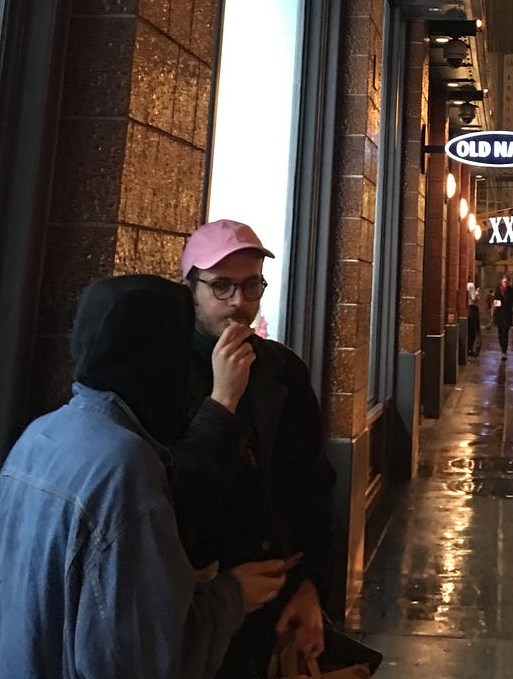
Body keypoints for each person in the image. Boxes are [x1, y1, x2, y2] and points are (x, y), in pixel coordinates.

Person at [0, 274, 291, 679]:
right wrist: (233, 595)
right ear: (159, 357)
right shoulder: (124, 464)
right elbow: (141, 656)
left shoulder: (42, 433)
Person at [174, 219, 336, 679]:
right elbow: (174, 498)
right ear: (191, 289)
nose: (238, 303)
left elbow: (313, 486)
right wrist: (221, 401)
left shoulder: (283, 369)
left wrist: (311, 586)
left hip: (278, 600)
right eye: (221, 287)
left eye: (251, 286)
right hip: (199, 609)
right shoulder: (165, 378)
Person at [492, 276, 513, 351]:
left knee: (505, 332)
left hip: (507, 313)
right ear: (501, 282)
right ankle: (502, 345)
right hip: (499, 313)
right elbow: (495, 299)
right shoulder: (498, 289)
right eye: (504, 282)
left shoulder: (511, 290)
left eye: (506, 282)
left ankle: (504, 349)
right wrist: (495, 302)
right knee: (500, 332)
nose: (505, 284)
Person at [467, 277, 481, 357]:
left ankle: (469, 349)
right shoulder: (471, 285)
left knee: (470, 330)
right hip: (473, 308)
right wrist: (477, 293)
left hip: (467, 309)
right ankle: (475, 348)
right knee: (475, 330)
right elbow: (474, 298)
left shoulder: (465, 285)